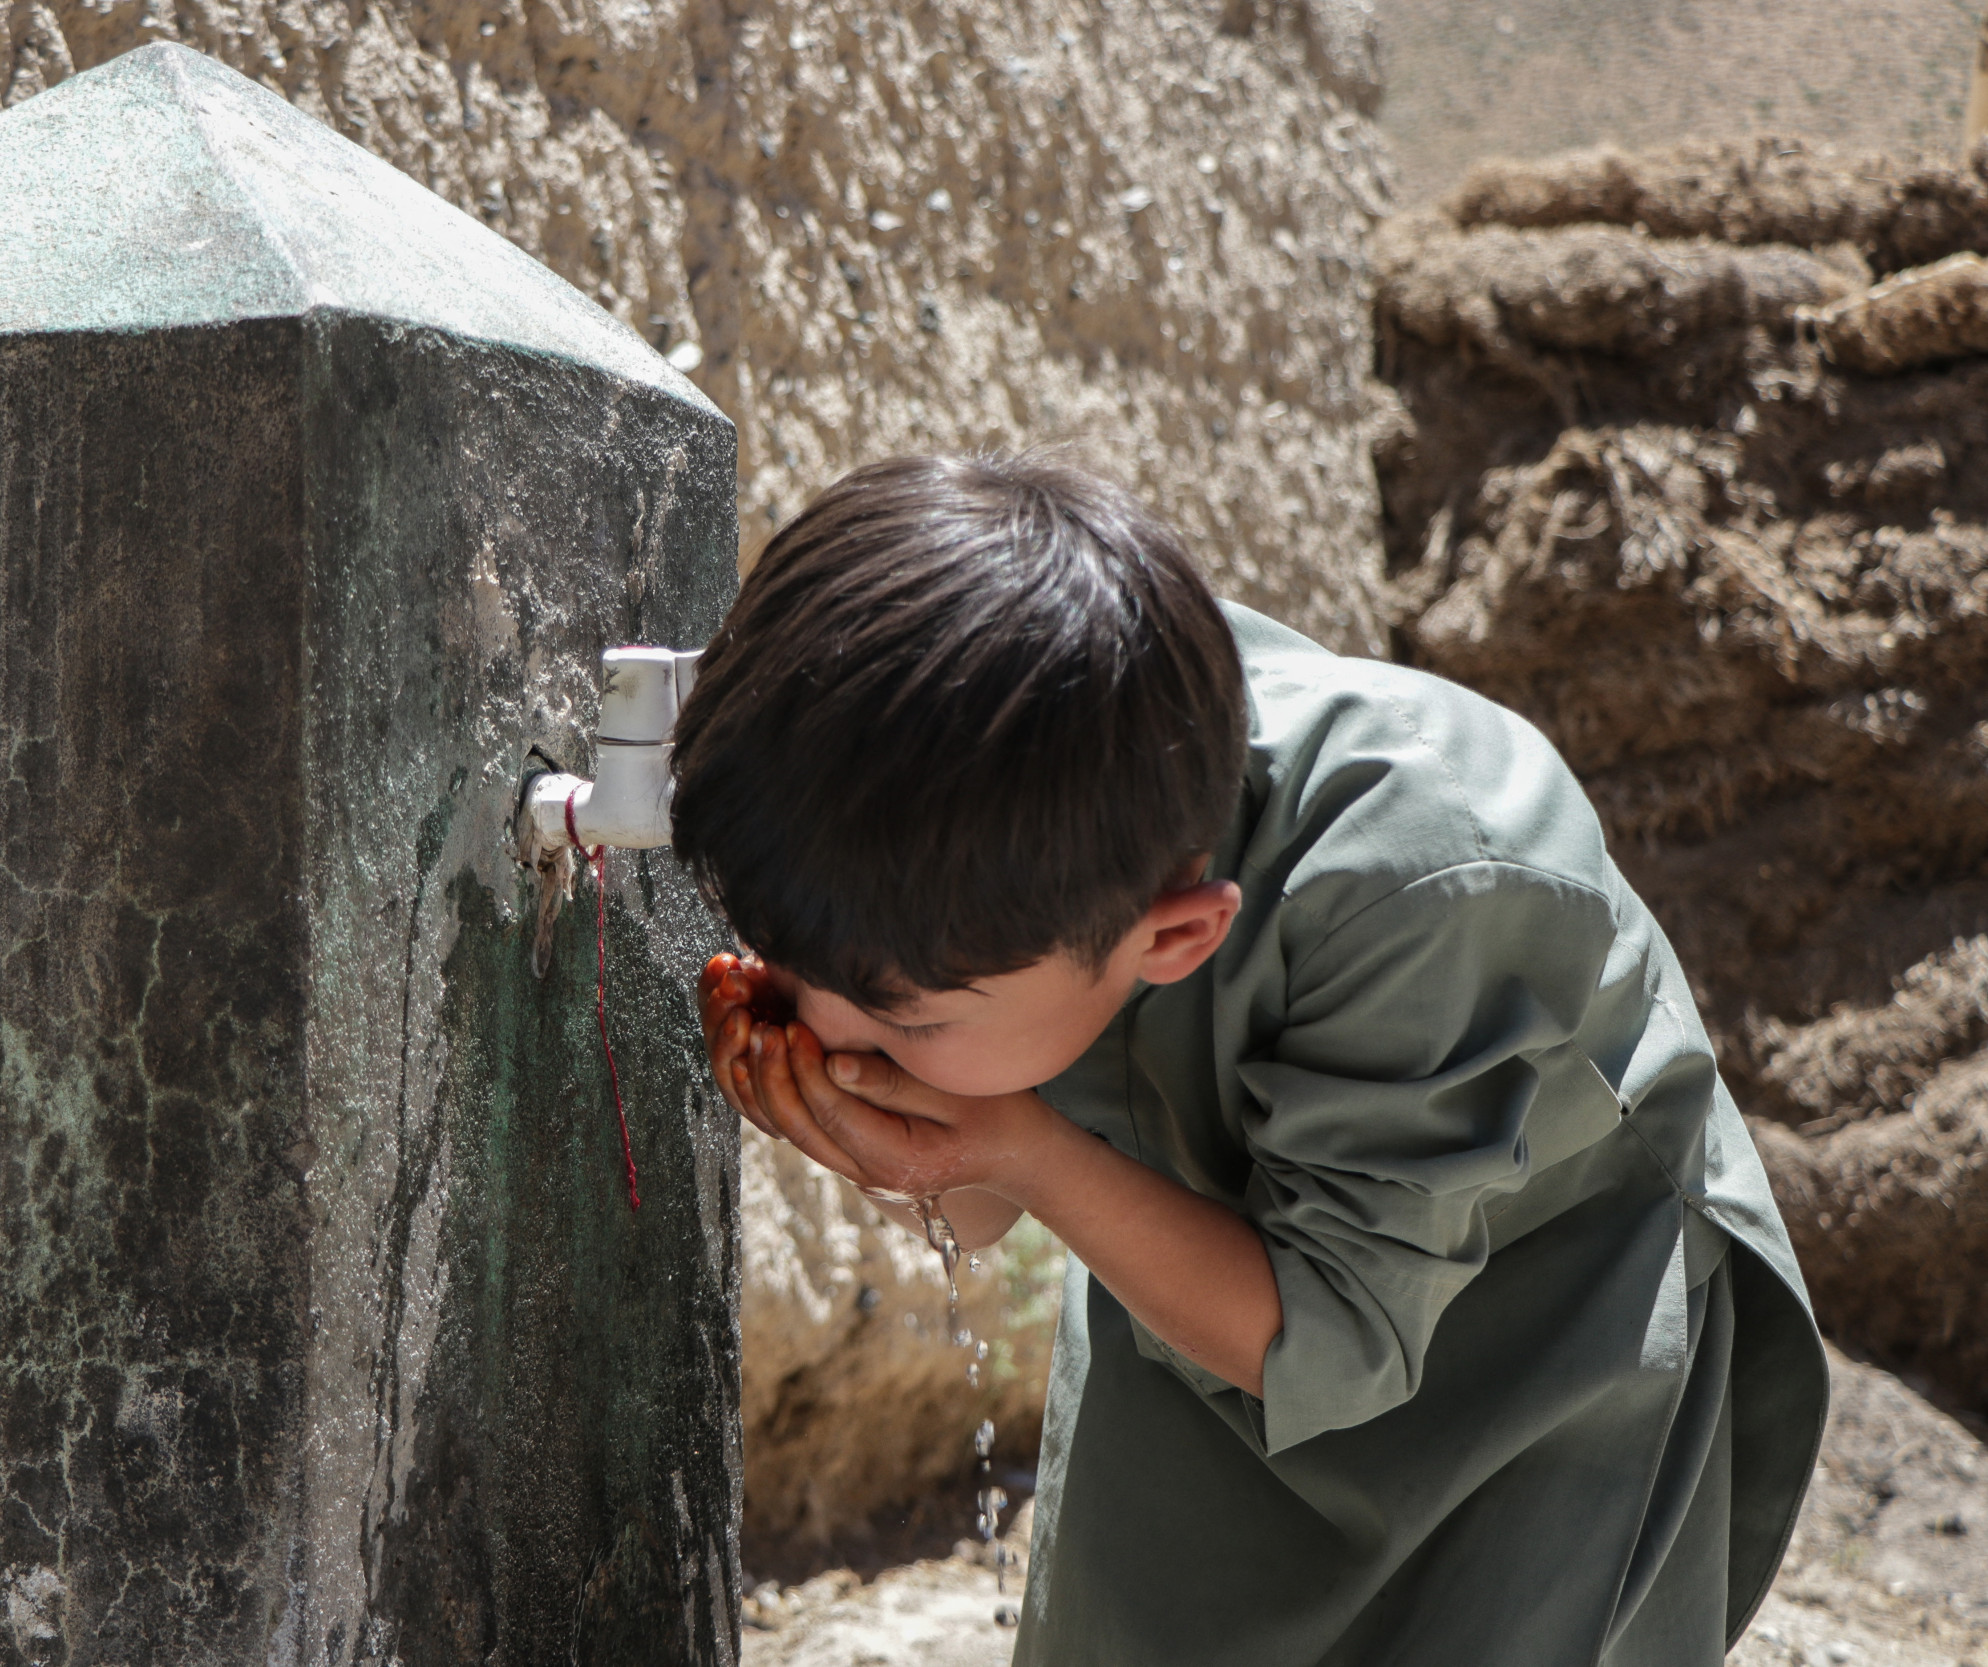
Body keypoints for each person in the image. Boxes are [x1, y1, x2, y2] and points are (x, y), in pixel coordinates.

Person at [668, 453, 1826, 1665]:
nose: (828, 1027)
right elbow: (985, 1197)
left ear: (1172, 937)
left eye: (900, 1023)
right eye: (796, 968)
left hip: (1534, 1344)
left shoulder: (1420, 887)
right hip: (1188, 1277)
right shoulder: (982, 798)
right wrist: (885, 1131)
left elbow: (1333, 1333)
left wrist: (1026, 1152)